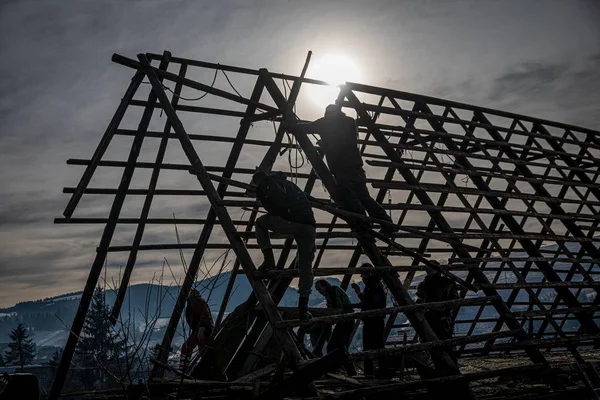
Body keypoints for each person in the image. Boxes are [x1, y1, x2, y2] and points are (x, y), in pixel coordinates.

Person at [287, 104, 396, 236]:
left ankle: (364, 224)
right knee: (365, 197)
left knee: (350, 197)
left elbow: (305, 128)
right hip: (356, 167)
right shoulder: (349, 121)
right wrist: (325, 143)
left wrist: (290, 126)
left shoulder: (324, 123)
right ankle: (386, 223)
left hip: (341, 168)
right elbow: (342, 139)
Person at [252, 169, 316, 320]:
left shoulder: (265, 185)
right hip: (309, 226)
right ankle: (303, 306)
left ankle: (269, 261)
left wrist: (269, 208)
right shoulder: (287, 183)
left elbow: (275, 205)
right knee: (306, 266)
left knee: (260, 224)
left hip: (290, 222)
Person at [416, 263, 460, 364]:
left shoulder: (426, 284)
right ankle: (446, 365)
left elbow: (454, 301)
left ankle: (447, 365)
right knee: (443, 343)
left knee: (441, 343)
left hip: (437, 318)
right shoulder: (443, 283)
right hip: (437, 318)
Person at [351, 265, 388, 377]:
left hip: (373, 320)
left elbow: (371, 303)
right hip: (374, 319)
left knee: (371, 346)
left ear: (369, 274)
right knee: (376, 345)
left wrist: (359, 293)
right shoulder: (374, 285)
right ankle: (379, 371)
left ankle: (372, 372)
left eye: (363, 274)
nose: (361, 276)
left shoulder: (374, 286)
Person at [315, 279, 356, 375]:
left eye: (319, 288)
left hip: (345, 321)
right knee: (340, 347)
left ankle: (338, 370)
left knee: (334, 346)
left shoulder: (332, 291)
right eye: (317, 290)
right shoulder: (330, 292)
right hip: (345, 321)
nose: (319, 291)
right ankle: (346, 370)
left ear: (325, 286)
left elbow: (337, 309)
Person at [180, 288, 213, 371]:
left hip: (202, 330)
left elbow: (204, 317)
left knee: (187, 347)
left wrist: (201, 329)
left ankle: (184, 369)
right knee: (201, 350)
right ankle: (206, 369)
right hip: (202, 330)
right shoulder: (196, 301)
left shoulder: (196, 302)